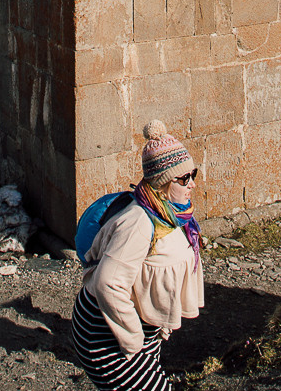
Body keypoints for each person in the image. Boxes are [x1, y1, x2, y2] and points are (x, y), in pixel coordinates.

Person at [74, 122, 203, 391]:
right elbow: (108, 284)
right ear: (163, 183)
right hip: (106, 337)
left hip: (137, 334)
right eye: (183, 178)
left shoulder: (171, 216)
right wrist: (134, 340)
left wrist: (158, 327)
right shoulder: (139, 222)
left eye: (193, 174)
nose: (192, 183)